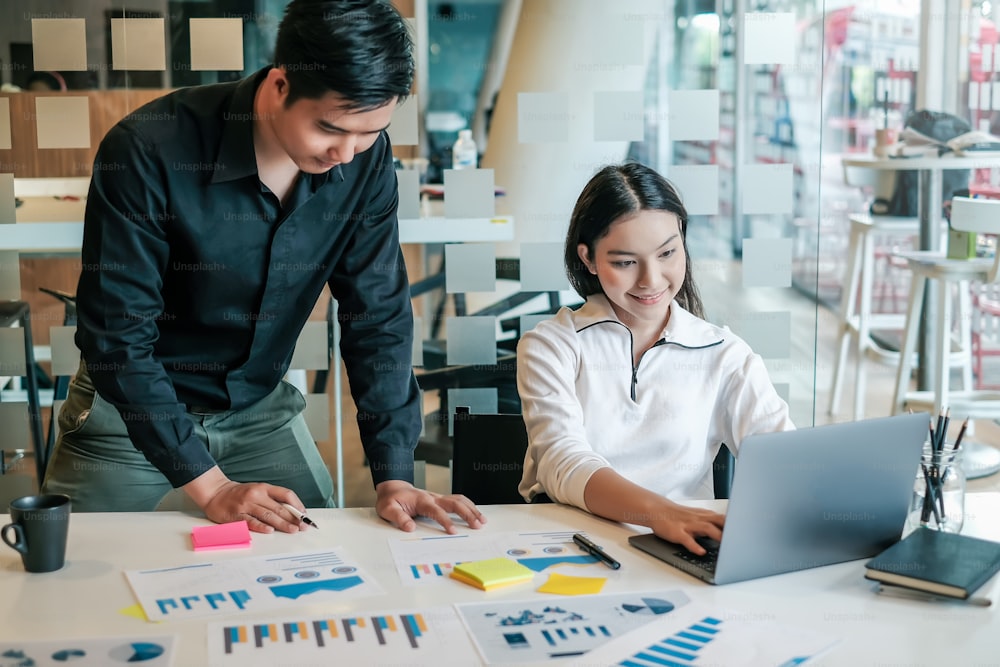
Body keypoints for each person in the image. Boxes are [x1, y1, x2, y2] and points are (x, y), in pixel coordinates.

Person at [41, 0, 485, 536]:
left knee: (324, 558)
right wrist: (212, 486)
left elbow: (378, 317)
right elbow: (116, 336)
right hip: (129, 412)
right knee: (71, 581)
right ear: (279, 86)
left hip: (258, 409)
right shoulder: (149, 149)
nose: (346, 153)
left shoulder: (365, 160)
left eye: (367, 133)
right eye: (329, 129)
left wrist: (395, 474)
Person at [517, 163, 793, 554]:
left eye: (667, 253)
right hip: (566, 546)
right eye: (625, 262)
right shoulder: (553, 346)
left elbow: (782, 460)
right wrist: (663, 514)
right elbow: (562, 462)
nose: (651, 279)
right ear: (589, 259)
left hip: (683, 551)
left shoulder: (725, 355)